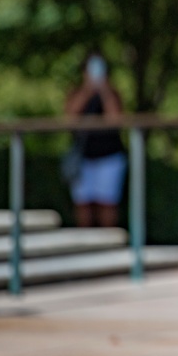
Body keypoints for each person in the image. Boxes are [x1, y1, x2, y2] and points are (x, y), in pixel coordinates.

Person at [63, 51, 127, 228]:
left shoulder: (112, 93)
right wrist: (87, 89)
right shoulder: (77, 92)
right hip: (84, 158)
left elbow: (115, 119)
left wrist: (104, 89)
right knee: (83, 206)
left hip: (109, 157)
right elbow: (69, 117)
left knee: (107, 205)